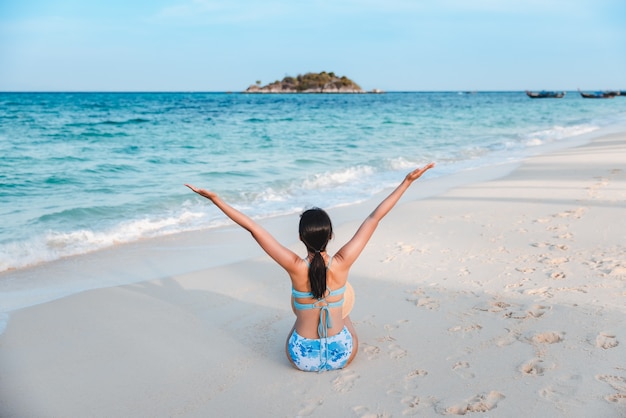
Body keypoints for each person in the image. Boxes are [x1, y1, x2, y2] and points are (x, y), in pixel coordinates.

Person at [185, 162, 435, 372]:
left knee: (300, 309)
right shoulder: (342, 261)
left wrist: (215, 199)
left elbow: (254, 229)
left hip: (300, 358)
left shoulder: (294, 266)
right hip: (342, 356)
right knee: (343, 306)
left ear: (301, 237)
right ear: (331, 236)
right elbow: (374, 218)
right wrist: (407, 182)